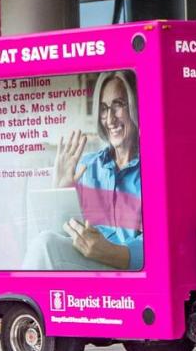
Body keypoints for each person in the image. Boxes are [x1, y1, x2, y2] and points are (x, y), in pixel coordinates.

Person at [23, 70, 143, 271]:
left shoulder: (153, 169)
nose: (110, 119)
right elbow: (57, 234)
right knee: (44, 243)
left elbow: (160, 247)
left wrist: (109, 251)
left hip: (129, 273)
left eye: (118, 105)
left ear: (135, 105)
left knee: (46, 246)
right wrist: (60, 191)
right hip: (88, 271)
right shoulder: (88, 166)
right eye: (104, 109)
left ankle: (16, 302)